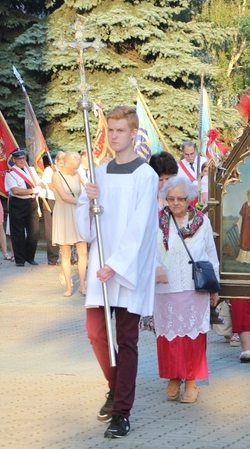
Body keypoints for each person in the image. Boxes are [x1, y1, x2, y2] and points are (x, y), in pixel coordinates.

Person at [75, 105, 158, 439]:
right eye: (110, 130)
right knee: (96, 334)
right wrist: (88, 200)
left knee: (126, 340)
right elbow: (87, 227)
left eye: (121, 130)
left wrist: (117, 264)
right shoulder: (99, 172)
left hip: (127, 269)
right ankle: (115, 386)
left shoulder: (145, 175)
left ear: (134, 133)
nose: (114, 136)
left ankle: (122, 412)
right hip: (100, 265)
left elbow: (141, 226)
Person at [154, 176, 219, 403]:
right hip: (165, 288)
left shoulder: (202, 221)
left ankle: (191, 382)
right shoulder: (157, 221)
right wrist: (155, 269)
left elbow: (211, 255)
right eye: (170, 199)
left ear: (189, 199)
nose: (175, 203)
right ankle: (174, 377)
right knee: (169, 336)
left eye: (180, 199)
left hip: (194, 288)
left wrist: (214, 288)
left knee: (193, 336)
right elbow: (148, 252)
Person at [51, 151, 87, 297]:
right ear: (66, 164)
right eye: (73, 167)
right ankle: (68, 286)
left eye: (77, 167)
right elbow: (65, 197)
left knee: (83, 252)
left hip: (77, 214)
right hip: (63, 214)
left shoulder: (77, 175)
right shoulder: (56, 176)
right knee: (66, 253)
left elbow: (85, 189)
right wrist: (83, 203)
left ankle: (82, 285)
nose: (75, 170)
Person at [5, 149, 41, 267]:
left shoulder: (31, 171)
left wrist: (40, 187)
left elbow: (39, 184)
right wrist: (32, 190)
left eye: (23, 158)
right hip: (18, 203)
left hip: (31, 202)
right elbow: (16, 190)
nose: (22, 160)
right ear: (14, 160)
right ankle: (19, 259)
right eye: (19, 159)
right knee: (18, 233)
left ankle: (30, 257)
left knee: (34, 232)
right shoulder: (10, 173)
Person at [41, 154, 60, 266]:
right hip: (52, 201)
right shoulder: (49, 170)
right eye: (61, 160)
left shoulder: (69, 170)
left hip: (66, 202)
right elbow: (48, 184)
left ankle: (68, 256)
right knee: (51, 229)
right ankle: (53, 258)